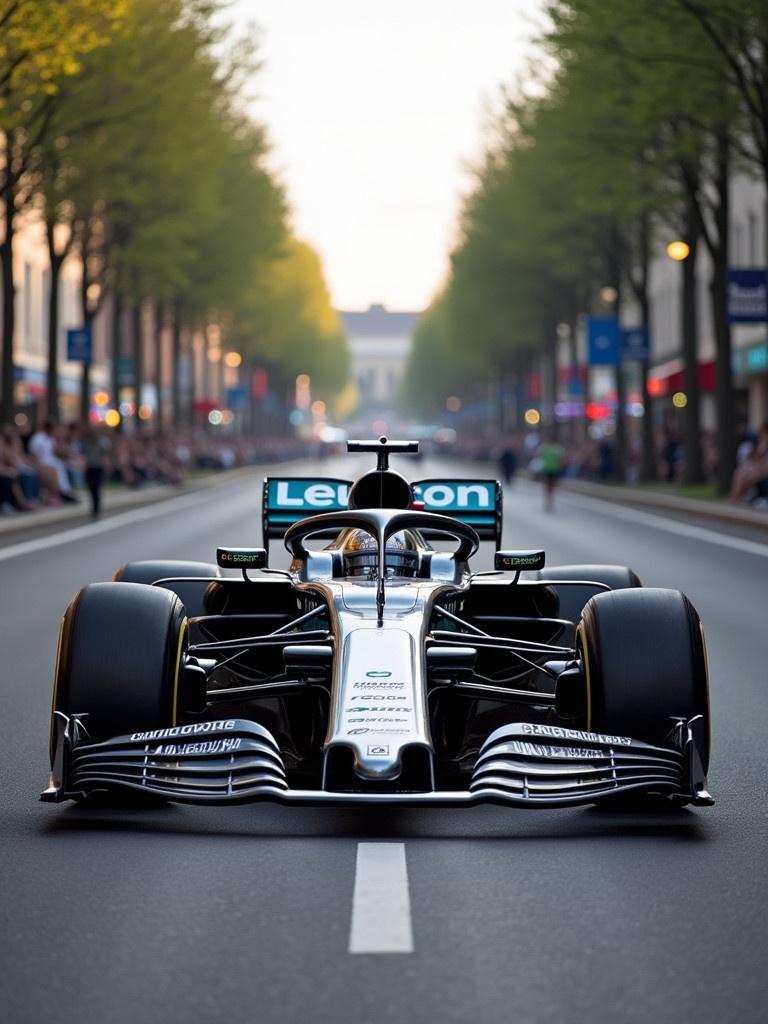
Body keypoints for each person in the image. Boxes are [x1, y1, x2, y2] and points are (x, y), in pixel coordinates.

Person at [28, 420, 79, 503]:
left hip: (52, 461)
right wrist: (38, 466)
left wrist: (60, 440)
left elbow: (58, 452)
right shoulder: (38, 438)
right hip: (41, 463)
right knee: (55, 469)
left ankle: (65, 491)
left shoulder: (51, 438)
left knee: (61, 465)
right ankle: (59, 493)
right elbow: (33, 455)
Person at [81, 425, 110, 517]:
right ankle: (93, 507)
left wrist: (106, 464)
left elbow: (105, 454)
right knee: (91, 488)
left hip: (98, 467)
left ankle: (97, 508)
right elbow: (83, 454)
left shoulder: (102, 442)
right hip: (90, 468)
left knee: (97, 487)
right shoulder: (86, 443)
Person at [536, 435, 565, 511]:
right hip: (546, 469)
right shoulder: (545, 447)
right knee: (547, 486)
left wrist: (559, 466)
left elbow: (560, 459)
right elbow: (539, 456)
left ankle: (550, 501)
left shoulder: (556, 448)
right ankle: (548, 501)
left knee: (551, 487)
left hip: (553, 470)